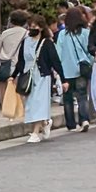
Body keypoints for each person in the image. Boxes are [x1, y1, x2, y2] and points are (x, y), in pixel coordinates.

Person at [15, 14, 62, 143]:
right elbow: (20, 61)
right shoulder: (25, 42)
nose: (31, 29)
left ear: (41, 28)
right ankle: (45, 122)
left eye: (34, 26)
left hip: (42, 76)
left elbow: (55, 61)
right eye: (30, 26)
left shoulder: (46, 43)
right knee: (30, 104)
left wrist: (64, 78)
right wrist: (12, 76)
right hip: (27, 76)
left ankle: (35, 132)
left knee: (38, 103)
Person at [55, 7, 91, 133]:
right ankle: (84, 120)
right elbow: (90, 51)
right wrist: (89, 62)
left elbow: (58, 53)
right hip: (82, 68)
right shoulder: (86, 33)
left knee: (68, 97)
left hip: (66, 70)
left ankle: (71, 124)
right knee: (82, 96)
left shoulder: (62, 35)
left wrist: (57, 70)